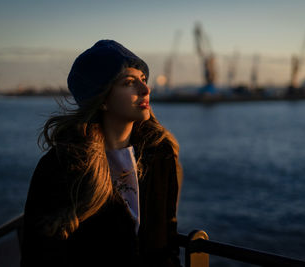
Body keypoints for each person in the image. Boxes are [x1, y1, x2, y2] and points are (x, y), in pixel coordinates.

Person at [20, 40, 183, 267]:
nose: (146, 90)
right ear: (103, 99)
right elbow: (37, 254)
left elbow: (168, 244)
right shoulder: (62, 166)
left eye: (144, 80)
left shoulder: (160, 154)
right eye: (129, 82)